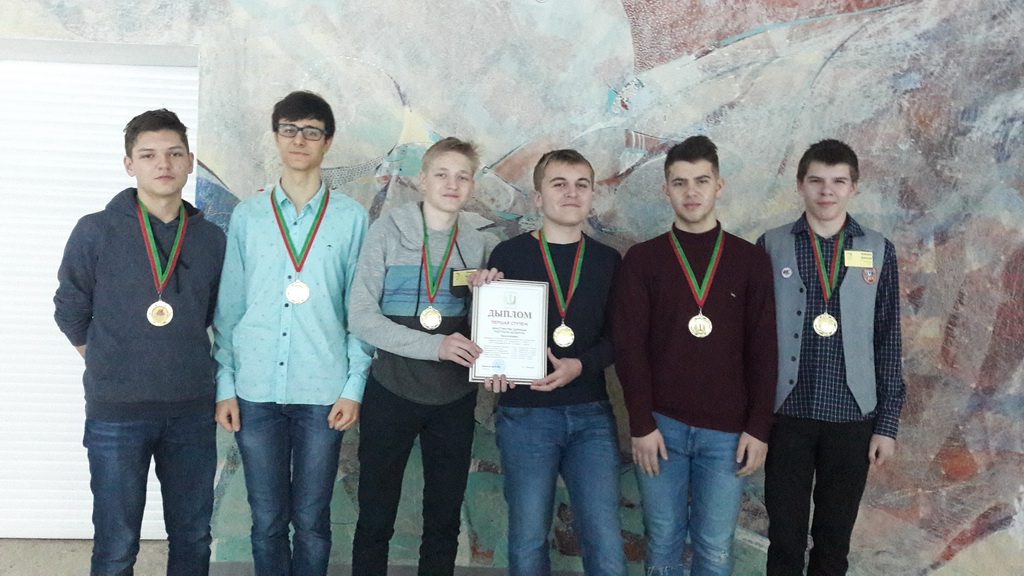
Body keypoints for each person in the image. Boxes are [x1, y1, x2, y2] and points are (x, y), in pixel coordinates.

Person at [54, 109, 226, 575]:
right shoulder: (96, 230)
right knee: (117, 544)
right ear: (129, 164)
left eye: (174, 153)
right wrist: (107, 360)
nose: (163, 164)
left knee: (193, 536)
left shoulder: (211, 239)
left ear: (190, 161)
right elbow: (69, 307)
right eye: (148, 155)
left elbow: (215, 314)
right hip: (116, 412)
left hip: (191, 411)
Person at [212, 90, 372, 576]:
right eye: (289, 129)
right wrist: (225, 385)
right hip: (255, 391)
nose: (299, 140)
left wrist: (354, 386)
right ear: (276, 136)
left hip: (323, 392)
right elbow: (229, 309)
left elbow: (359, 310)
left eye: (311, 131)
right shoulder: (249, 215)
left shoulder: (351, 218)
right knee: (266, 521)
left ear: (328, 141)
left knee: (312, 521)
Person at [613, 135, 777, 576]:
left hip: (728, 433)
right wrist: (641, 423)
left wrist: (758, 426)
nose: (691, 192)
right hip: (660, 427)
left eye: (701, 181)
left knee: (715, 546)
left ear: (719, 186)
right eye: (680, 182)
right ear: (665, 189)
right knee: (662, 539)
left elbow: (764, 348)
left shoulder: (749, 260)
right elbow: (630, 347)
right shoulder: (643, 260)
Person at [348, 137, 498, 576]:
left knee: (444, 521)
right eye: (441, 174)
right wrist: (435, 346)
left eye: (462, 176)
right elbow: (361, 317)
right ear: (421, 180)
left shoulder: (479, 244)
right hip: (390, 391)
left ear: (472, 185)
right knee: (375, 517)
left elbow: (483, 327)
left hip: (454, 400)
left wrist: (489, 298)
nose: (452, 184)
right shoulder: (386, 232)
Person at [758, 139, 905, 576]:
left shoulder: (878, 249)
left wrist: (887, 425)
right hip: (787, 415)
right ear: (800, 184)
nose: (827, 191)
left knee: (833, 543)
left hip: (853, 417)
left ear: (853, 187)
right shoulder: (771, 245)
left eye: (838, 181)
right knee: (784, 540)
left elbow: (888, 339)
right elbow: (753, 337)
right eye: (816, 181)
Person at [481, 149, 626, 575]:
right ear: (538, 196)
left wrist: (579, 366)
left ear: (592, 195)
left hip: (592, 415)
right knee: (527, 538)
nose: (571, 193)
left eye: (582, 184)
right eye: (559, 184)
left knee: (604, 536)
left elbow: (619, 340)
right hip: (524, 415)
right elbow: (488, 334)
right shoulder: (508, 255)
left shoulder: (607, 260)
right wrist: (491, 365)